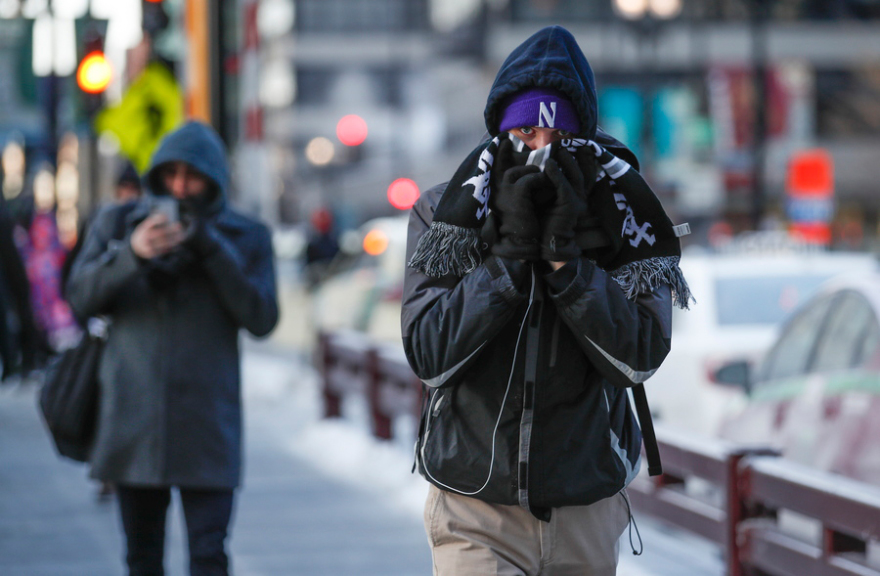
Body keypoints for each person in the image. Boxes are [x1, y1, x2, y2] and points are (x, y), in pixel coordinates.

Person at [402, 26, 692, 575]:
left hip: (585, 505)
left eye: (558, 135)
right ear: (499, 132)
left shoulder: (626, 219)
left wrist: (567, 264)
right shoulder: (445, 216)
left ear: (584, 136)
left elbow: (638, 356)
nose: (540, 150)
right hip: (475, 504)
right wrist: (507, 259)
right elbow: (429, 354)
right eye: (525, 131)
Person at [65, 121, 279, 576]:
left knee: (209, 555)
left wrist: (210, 248)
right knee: (142, 558)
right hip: (133, 420)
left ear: (214, 179)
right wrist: (133, 254)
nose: (180, 187)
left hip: (208, 424)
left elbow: (261, 318)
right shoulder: (117, 223)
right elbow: (80, 298)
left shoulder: (247, 235)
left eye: (193, 175)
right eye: (171, 174)